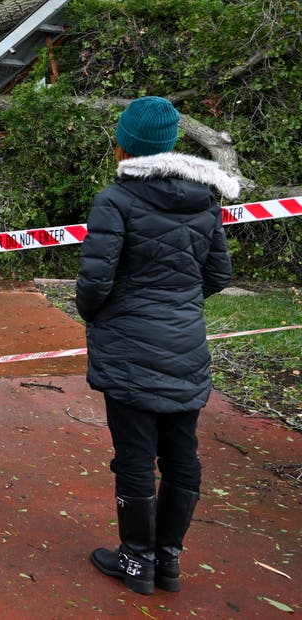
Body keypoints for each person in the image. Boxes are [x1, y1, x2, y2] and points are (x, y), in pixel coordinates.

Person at [75, 95, 239, 595]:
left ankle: (135, 560)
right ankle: (168, 562)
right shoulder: (205, 201)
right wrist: (179, 304)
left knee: (134, 455)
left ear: (126, 146)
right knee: (181, 452)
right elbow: (219, 274)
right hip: (186, 345)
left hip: (129, 347)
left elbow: (94, 284)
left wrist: (105, 316)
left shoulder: (115, 200)